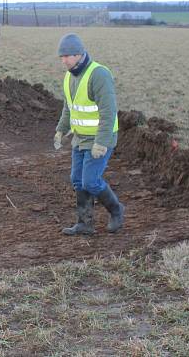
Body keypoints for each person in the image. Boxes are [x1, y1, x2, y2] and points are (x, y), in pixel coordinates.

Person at [53, 33, 125, 235]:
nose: (63, 61)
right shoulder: (69, 77)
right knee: (77, 180)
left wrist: (101, 142)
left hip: (100, 139)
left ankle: (117, 210)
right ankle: (85, 224)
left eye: (66, 56)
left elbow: (108, 112)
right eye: (61, 57)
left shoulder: (98, 74)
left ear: (78, 54)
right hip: (80, 139)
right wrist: (61, 129)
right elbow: (69, 108)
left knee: (90, 181)